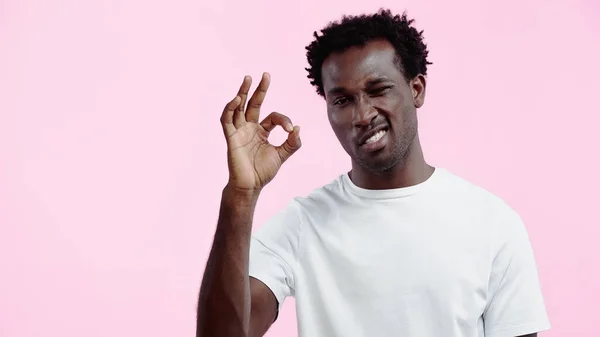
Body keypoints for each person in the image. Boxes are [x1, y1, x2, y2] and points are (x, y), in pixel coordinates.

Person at [196, 8, 550, 337]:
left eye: (378, 90)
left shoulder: (492, 223)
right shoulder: (302, 224)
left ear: (416, 90)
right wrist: (240, 196)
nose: (362, 115)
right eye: (342, 100)